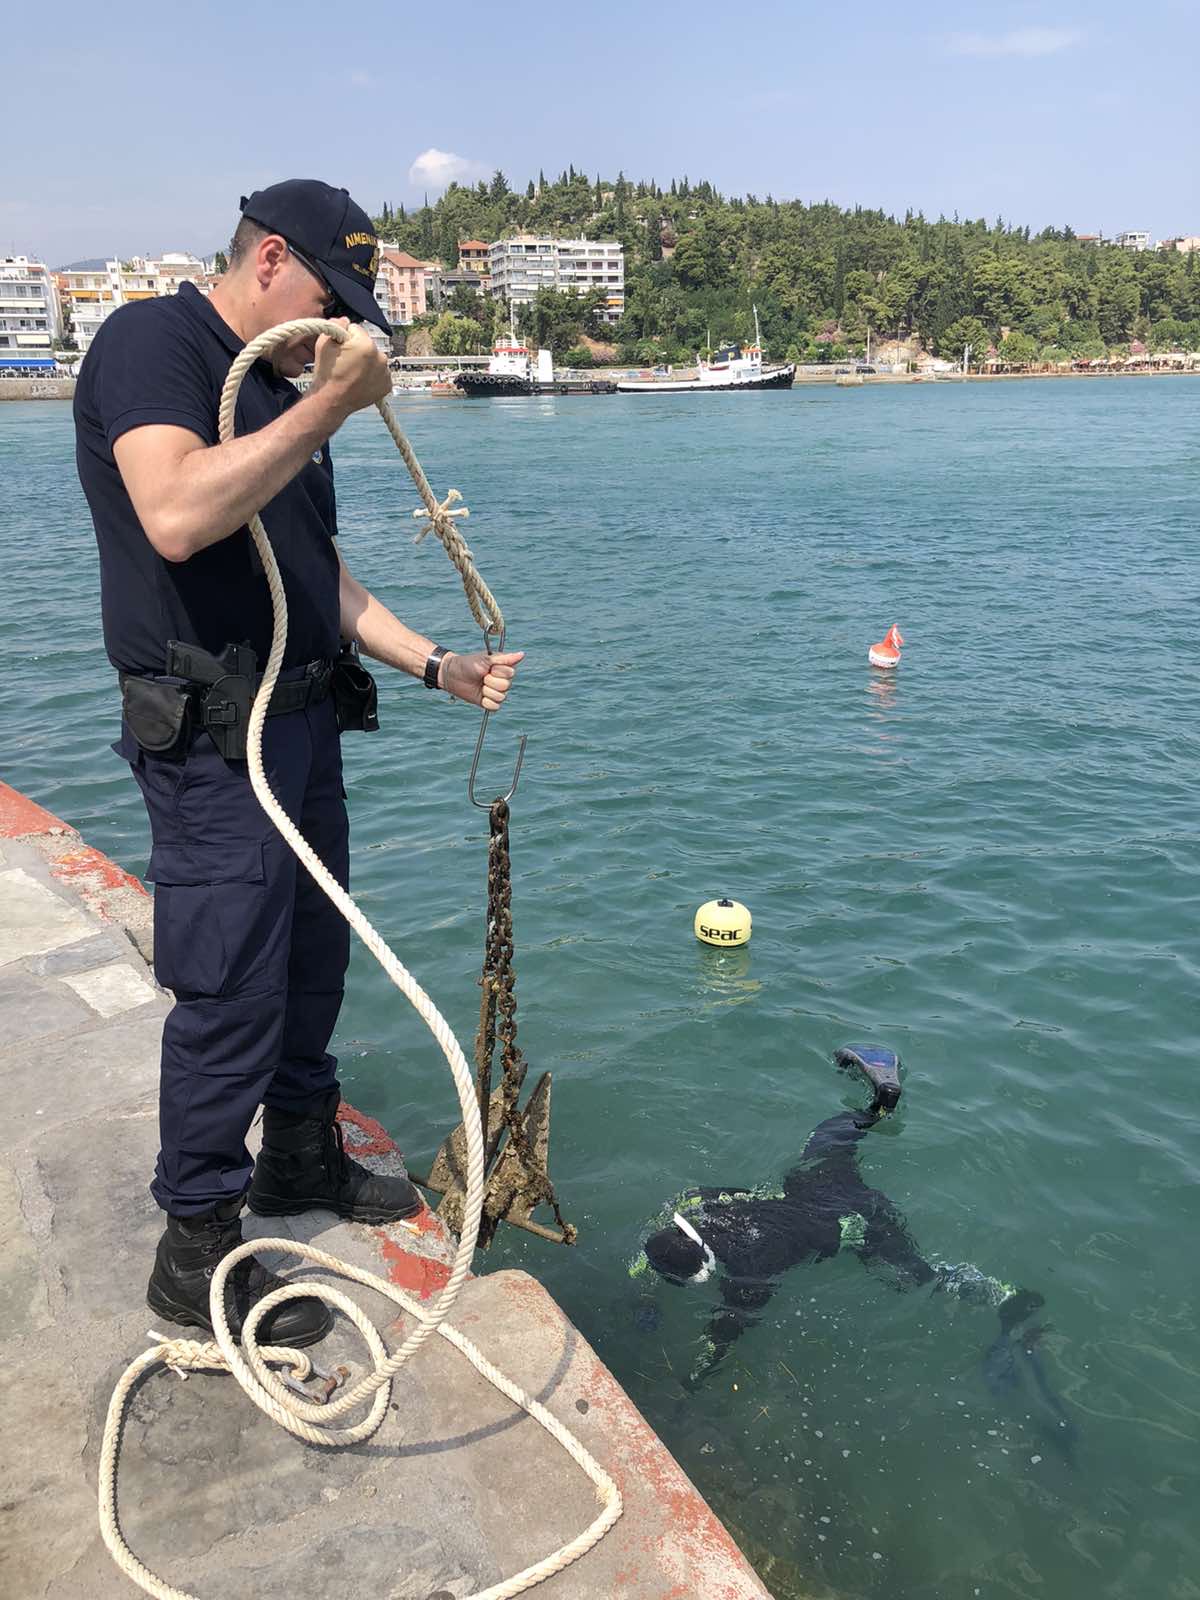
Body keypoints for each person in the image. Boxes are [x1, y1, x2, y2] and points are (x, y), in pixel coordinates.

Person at [73, 179, 523, 1348]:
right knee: (230, 985)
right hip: (217, 736)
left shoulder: (275, 389)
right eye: (335, 297)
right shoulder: (152, 345)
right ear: (269, 260)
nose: (347, 328)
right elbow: (173, 514)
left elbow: (313, 576)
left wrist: (437, 666)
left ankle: (301, 1159)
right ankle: (197, 1250)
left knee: (311, 959)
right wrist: (327, 404)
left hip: (304, 719)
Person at [635, 1046, 1048, 1392]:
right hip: (814, 1184)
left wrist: (699, 1371)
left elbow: (725, 1332)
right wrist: (648, 1292)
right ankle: (881, 1101)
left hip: (856, 1220)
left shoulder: (748, 1273)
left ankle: (1001, 1295)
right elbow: (673, 1225)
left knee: (920, 1279)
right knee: (832, 1137)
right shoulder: (700, 1206)